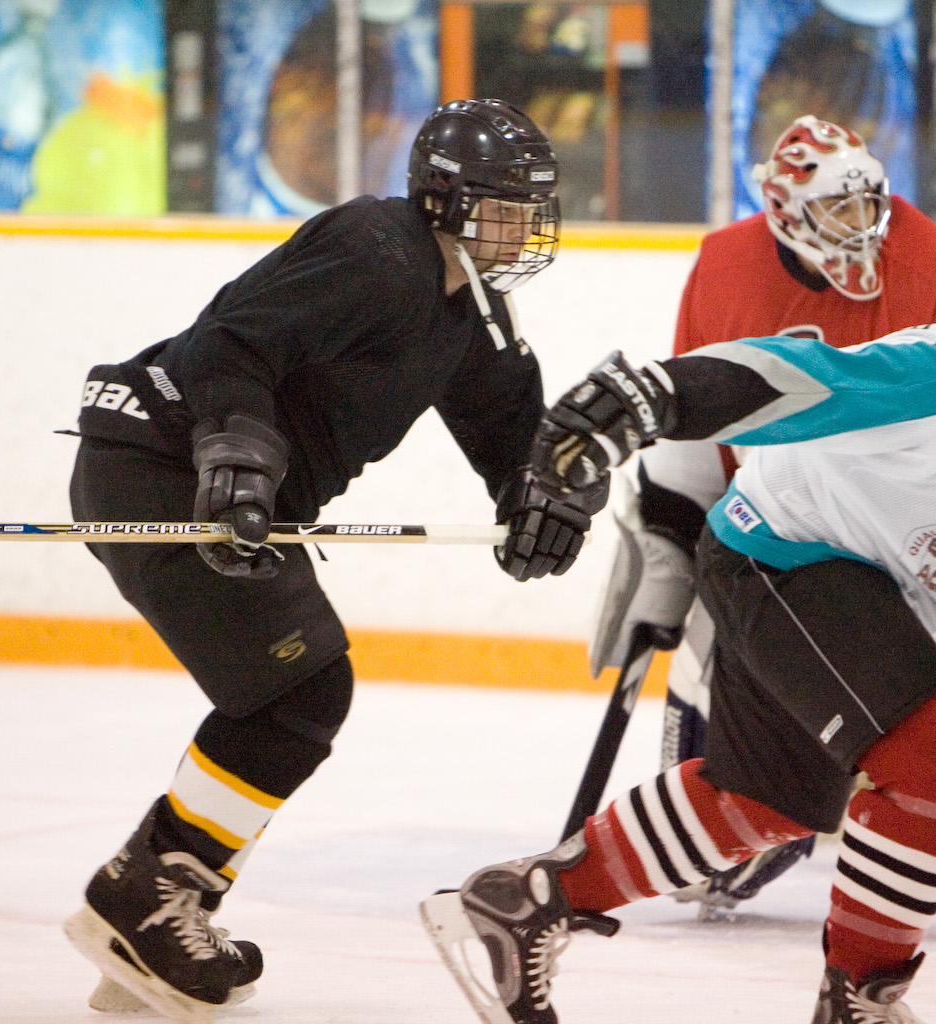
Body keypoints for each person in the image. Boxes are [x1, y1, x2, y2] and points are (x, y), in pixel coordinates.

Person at [422, 204, 936, 1024]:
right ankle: (861, 995)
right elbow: (790, 379)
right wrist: (649, 398)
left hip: (821, 579)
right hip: (783, 559)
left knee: (763, 802)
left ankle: (524, 900)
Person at [62, 98, 605, 1024]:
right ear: (442, 201)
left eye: (531, 206)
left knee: (297, 695)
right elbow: (228, 344)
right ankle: (148, 897)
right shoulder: (374, 248)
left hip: (219, 487)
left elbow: (511, 434)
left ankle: (150, 901)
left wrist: (540, 500)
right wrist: (233, 451)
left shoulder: (476, 315)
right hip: (158, 466)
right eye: (504, 204)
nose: (523, 226)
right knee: (301, 691)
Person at [591, 114, 936, 935]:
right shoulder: (725, 262)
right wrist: (663, 541)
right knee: (712, 646)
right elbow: (696, 419)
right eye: (839, 211)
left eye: (871, 205)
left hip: (906, 523)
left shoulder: (931, 258)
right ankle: (748, 821)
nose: (864, 228)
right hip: (776, 524)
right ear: (785, 210)